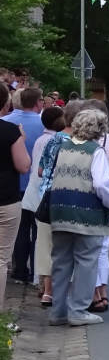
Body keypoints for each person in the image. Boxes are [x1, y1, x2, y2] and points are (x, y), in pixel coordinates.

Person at [47, 109, 109, 326]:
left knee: (61, 262)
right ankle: (78, 310)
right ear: (99, 130)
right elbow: (101, 184)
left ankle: (58, 311)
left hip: (60, 211)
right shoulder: (95, 151)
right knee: (86, 261)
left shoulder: (63, 147)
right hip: (87, 214)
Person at [22, 105, 65, 306]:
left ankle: (42, 284)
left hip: (40, 193)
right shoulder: (56, 141)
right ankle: (45, 284)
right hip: (48, 195)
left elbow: (36, 168)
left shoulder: (43, 139)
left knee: (40, 239)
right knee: (47, 241)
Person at [7, 85, 46, 284]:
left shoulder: (6, 122)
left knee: (20, 230)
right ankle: (36, 273)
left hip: (13, 184)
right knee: (38, 230)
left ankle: (20, 270)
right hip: (38, 184)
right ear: (38, 102)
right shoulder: (43, 125)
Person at [0, 84, 32, 307]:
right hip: (6, 199)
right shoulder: (11, 131)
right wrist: (22, 138)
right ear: (5, 104)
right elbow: (23, 166)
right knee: (1, 258)